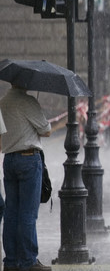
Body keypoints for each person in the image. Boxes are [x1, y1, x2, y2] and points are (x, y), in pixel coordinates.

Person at [0, 84, 63, 271]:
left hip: (9, 159)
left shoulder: (2, 102)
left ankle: (10, 261)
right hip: (28, 159)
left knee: (11, 213)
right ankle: (28, 261)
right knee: (28, 213)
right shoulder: (28, 101)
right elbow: (46, 130)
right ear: (25, 82)